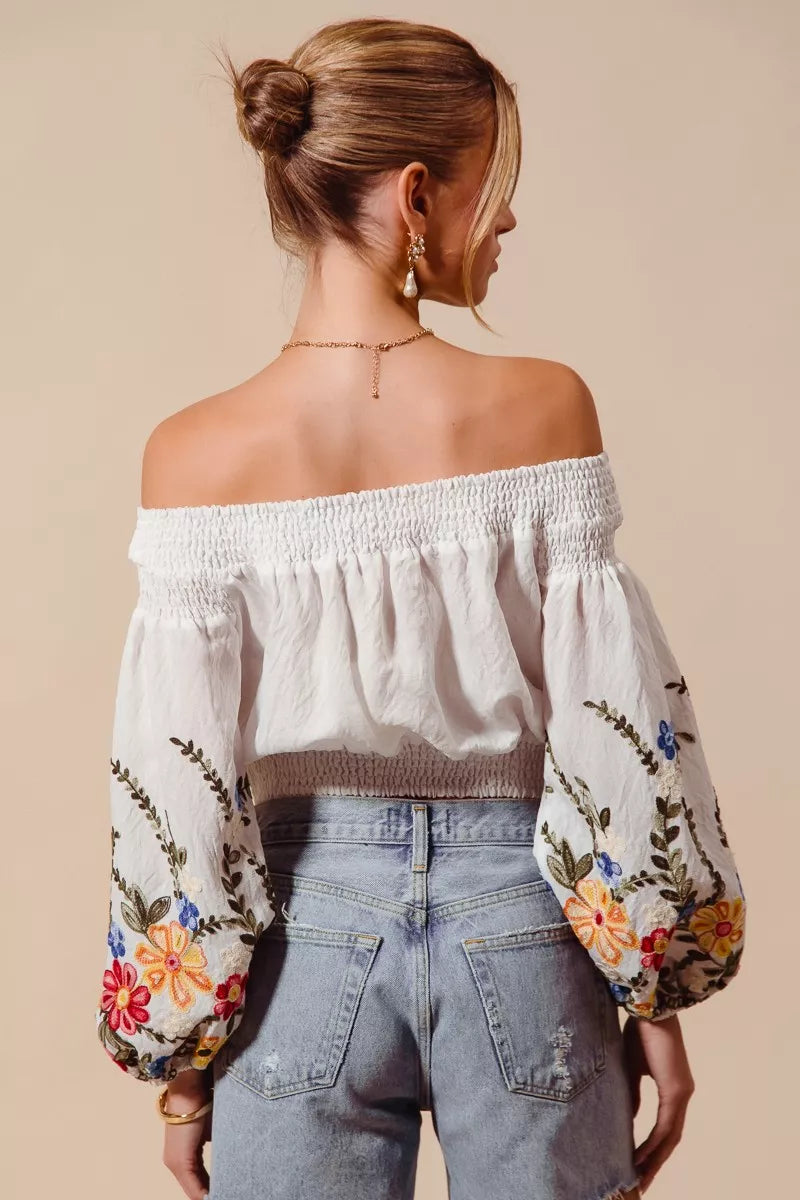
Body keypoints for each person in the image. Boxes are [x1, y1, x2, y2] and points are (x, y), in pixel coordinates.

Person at [96, 17, 746, 1200]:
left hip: (300, 936)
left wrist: (182, 1070)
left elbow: (175, 792)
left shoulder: (190, 454)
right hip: (528, 917)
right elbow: (614, 729)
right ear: (413, 195)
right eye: (492, 188)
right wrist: (648, 991)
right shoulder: (543, 409)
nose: (504, 222)